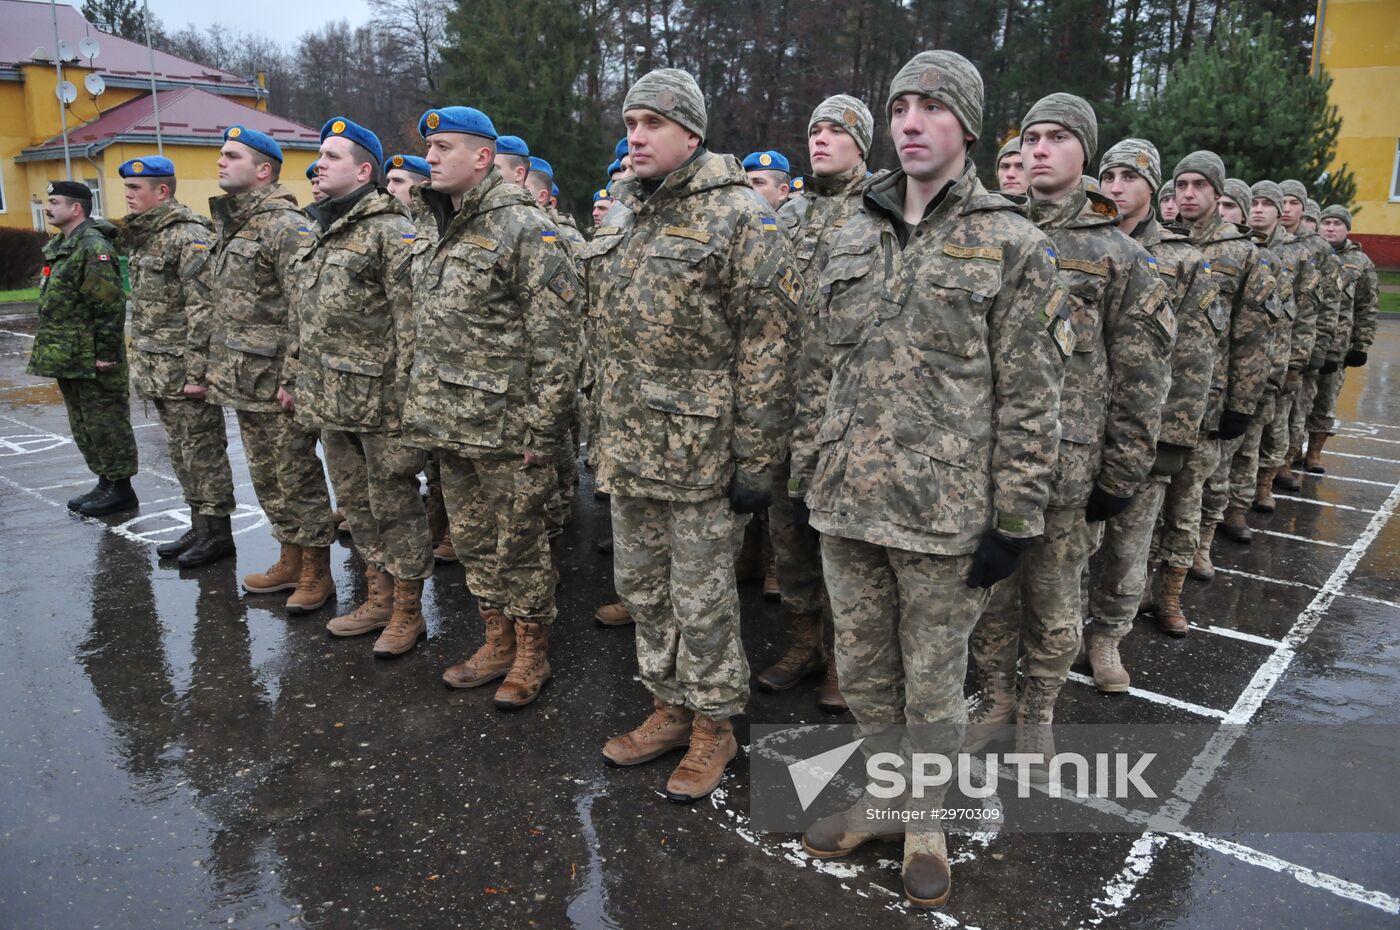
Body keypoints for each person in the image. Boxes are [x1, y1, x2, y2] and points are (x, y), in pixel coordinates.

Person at [791, 51, 1065, 909]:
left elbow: (1032, 394)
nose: (910, 121)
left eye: (931, 108)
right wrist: (808, 476)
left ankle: (924, 822)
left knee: (934, 680)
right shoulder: (850, 232)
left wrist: (1017, 517)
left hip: (946, 513)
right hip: (847, 502)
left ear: (969, 128)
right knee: (867, 674)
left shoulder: (1012, 242)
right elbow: (814, 370)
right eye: (900, 105)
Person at [587, 68, 800, 802]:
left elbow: (769, 345)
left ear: (692, 133)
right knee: (642, 589)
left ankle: (715, 723)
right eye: (629, 123)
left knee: (703, 598)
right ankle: (668, 705)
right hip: (631, 446)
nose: (635, 136)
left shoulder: (740, 216)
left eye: (650, 124)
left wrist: (756, 460)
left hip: (703, 457)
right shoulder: (623, 210)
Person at [969, 93, 1171, 763]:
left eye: (1058, 136)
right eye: (1031, 137)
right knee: (989, 601)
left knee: (1054, 606)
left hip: (1068, 468)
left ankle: (1038, 708)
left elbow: (1142, 376)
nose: (1040, 149)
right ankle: (996, 696)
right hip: (985, 460)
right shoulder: (988, 230)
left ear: (1086, 150)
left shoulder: (1119, 255)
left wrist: (1121, 473)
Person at [401, 106, 583, 709]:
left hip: (508, 429)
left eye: (444, 147)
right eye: (429, 147)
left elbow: (559, 339)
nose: (430, 156)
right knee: (476, 544)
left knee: (520, 544)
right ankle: (495, 639)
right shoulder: (433, 223)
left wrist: (542, 428)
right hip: (449, 423)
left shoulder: (526, 227)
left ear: (482, 158)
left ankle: (533, 652)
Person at [289, 117, 432, 657]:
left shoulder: (390, 230)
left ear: (364, 170)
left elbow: (412, 323)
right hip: (332, 399)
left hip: (382, 404)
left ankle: (407, 611)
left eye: (332, 156)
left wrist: (409, 405)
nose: (318, 164)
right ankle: (377, 594)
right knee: (355, 504)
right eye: (319, 155)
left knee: (394, 505)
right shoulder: (323, 230)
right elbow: (309, 318)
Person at [760, 93, 876, 714]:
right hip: (782, 405)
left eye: (836, 130)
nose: (821, 139)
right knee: (789, 537)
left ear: (862, 142)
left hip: (841, 411)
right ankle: (803, 643)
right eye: (814, 129)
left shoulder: (881, 213)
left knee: (839, 544)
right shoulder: (789, 212)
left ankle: (842, 661)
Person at [1086, 139, 1215, 691]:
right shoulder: (1078, 245)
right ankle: (1063, 633)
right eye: (1109, 175)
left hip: (1143, 429)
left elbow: (1194, 357)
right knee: (1070, 549)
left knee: (1127, 545)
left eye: (1130, 177)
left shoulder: (1184, 261)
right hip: (1077, 427)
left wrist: (1171, 439)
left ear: (1151, 186)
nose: (1116, 186)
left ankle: (1107, 638)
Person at [207, 125, 338, 613]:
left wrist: (292, 378)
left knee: (296, 474)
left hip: (278, 383)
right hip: (245, 379)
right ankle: (289, 555)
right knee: (267, 476)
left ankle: (316, 571)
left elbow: (306, 309)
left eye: (231, 155)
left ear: (264, 170)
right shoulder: (236, 223)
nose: (220, 162)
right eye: (221, 154)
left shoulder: (285, 226)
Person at [1168, 153, 1275, 619]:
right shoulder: (1160, 243)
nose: (1188, 194)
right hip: (1154, 400)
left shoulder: (1243, 254)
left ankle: (1169, 594)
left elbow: (1254, 336)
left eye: (1198, 185)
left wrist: (1242, 404)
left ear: (1217, 193)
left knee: (1187, 503)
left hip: (1208, 407)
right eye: (1180, 185)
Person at [117, 156, 236, 565]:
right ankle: (199, 524)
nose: (128, 195)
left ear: (162, 191)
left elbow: (204, 308)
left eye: (136, 189)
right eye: (128, 189)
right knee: (182, 453)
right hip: (160, 370)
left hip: (186, 370)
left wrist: (199, 372)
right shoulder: (147, 236)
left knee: (203, 451)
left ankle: (217, 533)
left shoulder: (187, 235)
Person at [29, 180, 139, 517]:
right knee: (84, 424)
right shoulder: (64, 245)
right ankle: (105, 481)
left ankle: (122, 490)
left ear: (76, 208)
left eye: (54, 201)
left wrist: (106, 353)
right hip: (69, 355)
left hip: (93, 357)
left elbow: (108, 304)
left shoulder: (92, 247)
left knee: (106, 423)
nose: (48, 207)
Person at [1201, 179, 1291, 549]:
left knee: (1231, 458)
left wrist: (1267, 380)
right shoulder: (1178, 248)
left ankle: (1226, 517)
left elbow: (1270, 328)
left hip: (1231, 381)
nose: (1224, 214)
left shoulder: (1260, 259)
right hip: (1187, 386)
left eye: (1231, 207)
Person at [1304, 204, 1379, 471]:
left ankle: (1313, 454)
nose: (1331, 228)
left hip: (1337, 348)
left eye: (1337, 224)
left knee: (1324, 403)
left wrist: (1361, 345)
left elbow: (1367, 307)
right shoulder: (1308, 254)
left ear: (1347, 228)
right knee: (1298, 403)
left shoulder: (1361, 263)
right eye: (1326, 223)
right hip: (1307, 344)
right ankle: (1286, 456)